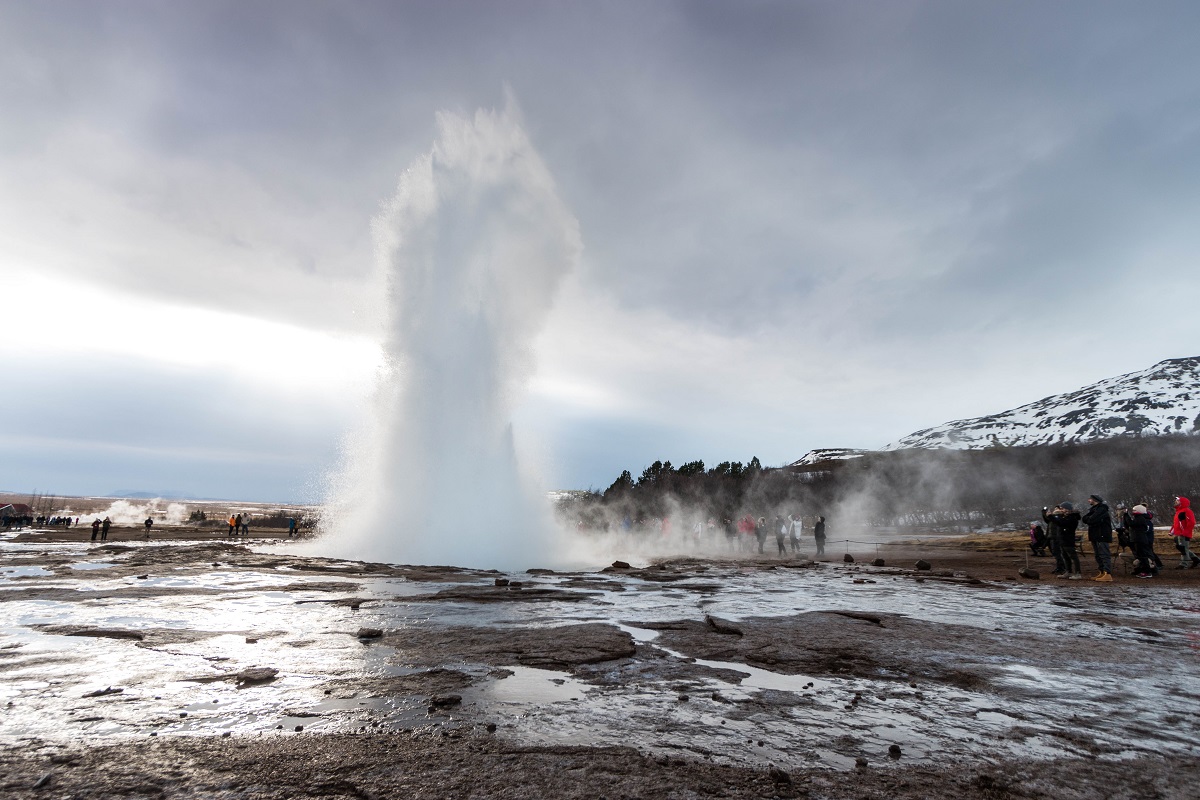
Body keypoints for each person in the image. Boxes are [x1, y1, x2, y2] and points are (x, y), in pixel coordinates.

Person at [1045, 503, 1082, 579]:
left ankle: (1078, 573)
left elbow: (1061, 523)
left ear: (1067, 509)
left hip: (1068, 539)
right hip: (1062, 539)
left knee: (1073, 556)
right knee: (1065, 556)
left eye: (1062, 508)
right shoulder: (1065, 516)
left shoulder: (1072, 518)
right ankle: (1068, 571)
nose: (1061, 510)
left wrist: (1051, 516)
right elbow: (1059, 521)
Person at [1082, 494, 1114, 581]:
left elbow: (1091, 520)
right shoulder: (1094, 510)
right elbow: (1085, 518)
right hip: (1095, 535)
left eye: (1090, 499)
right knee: (1098, 555)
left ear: (1095, 500)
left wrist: (1089, 520)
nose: (1089, 500)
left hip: (1102, 534)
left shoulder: (1102, 509)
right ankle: (1102, 571)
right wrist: (1089, 519)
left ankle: (1107, 573)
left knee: (1104, 554)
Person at [1128, 504, 1158, 578]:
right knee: (1141, 555)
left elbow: (1131, 524)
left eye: (1134, 510)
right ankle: (1143, 570)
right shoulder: (1141, 518)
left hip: (1140, 539)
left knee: (1143, 556)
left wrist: (1126, 515)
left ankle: (1147, 571)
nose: (1133, 512)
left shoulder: (1140, 519)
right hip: (1140, 539)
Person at [1170, 496, 1198, 569]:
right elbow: (1176, 523)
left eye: (1178, 501)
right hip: (1179, 533)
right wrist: (1172, 532)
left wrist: (1185, 532)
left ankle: (1184, 564)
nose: (1176, 502)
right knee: (1183, 548)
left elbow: (1192, 522)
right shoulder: (1178, 512)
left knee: (1183, 548)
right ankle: (1196, 559)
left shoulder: (1187, 511)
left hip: (1184, 534)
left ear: (1182, 502)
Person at [1041, 506, 1067, 575]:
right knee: (1055, 553)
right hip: (1052, 537)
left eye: (1057, 508)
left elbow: (1051, 519)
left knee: (1058, 553)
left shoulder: (1058, 517)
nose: (1055, 510)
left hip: (1056, 537)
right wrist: (1044, 512)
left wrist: (1049, 515)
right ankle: (1059, 567)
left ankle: (1062, 567)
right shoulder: (1053, 517)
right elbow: (1047, 520)